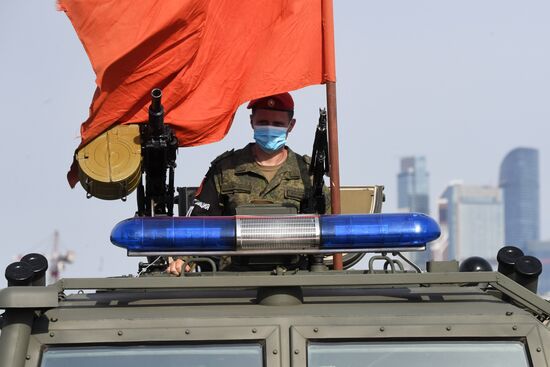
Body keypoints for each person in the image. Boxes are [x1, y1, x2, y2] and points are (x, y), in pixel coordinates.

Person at [166, 92, 329, 275]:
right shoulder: (226, 169)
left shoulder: (309, 173)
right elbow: (199, 223)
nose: (269, 129)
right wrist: (184, 259)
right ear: (252, 121)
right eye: (263, 122)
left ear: (291, 125)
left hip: (294, 275)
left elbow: (329, 226)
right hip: (233, 278)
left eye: (277, 124)